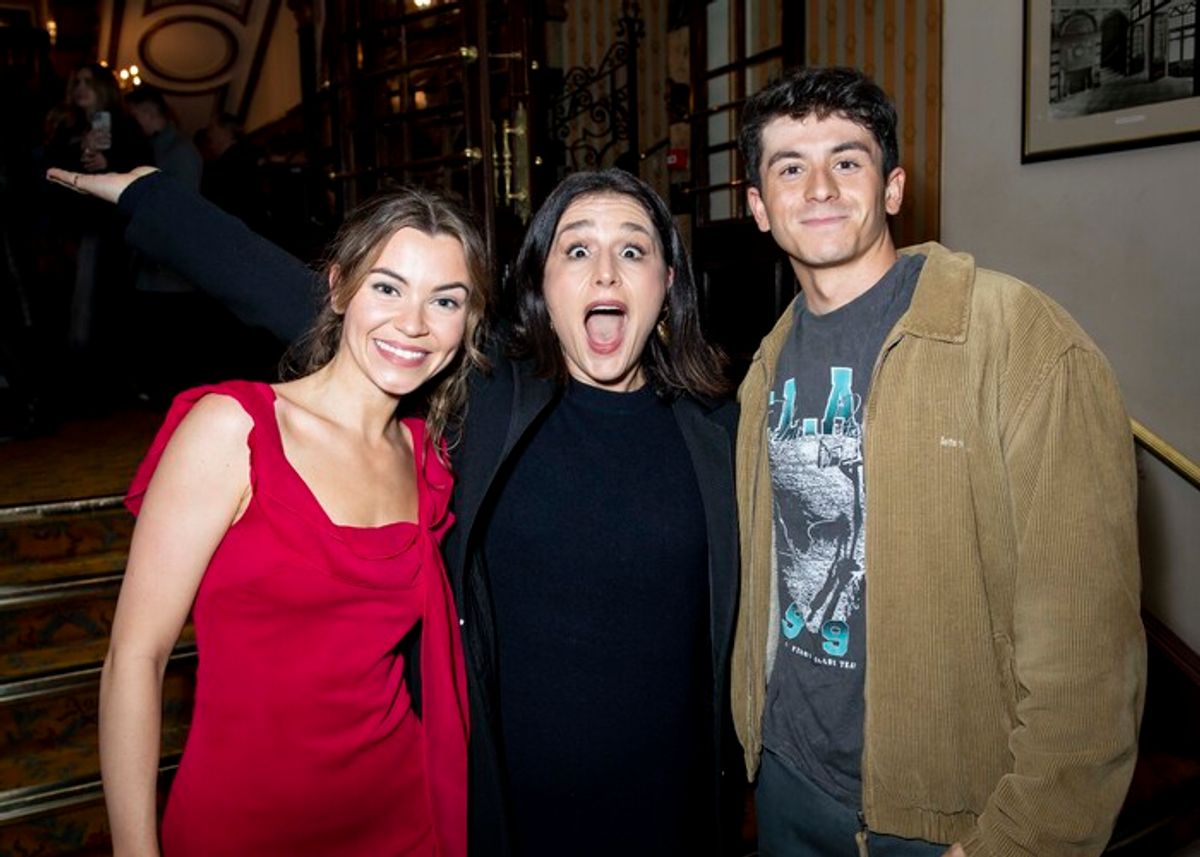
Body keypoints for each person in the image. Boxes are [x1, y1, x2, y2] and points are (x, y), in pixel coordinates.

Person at [46, 165, 744, 856]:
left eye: (633, 250)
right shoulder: (491, 403)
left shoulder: (720, 429)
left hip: (666, 809)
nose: (605, 275)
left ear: (669, 281)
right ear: (540, 282)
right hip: (508, 811)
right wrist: (157, 200)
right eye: (576, 248)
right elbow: (346, 313)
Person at [730, 66, 1145, 856]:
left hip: (944, 823)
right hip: (785, 785)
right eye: (790, 166)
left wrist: (1025, 840)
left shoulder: (1018, 338)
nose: (819, 185)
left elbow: (1089, 656)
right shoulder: (762, 369)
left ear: (892, 187)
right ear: (758, 206)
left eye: (847, 160)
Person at [77, 174, 485, 856]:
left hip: (402, 817)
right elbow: (134, 658)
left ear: (469, 323)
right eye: (387, 287)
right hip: (241, 825)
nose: (413, 323)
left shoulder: (430, 461)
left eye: (445, 300)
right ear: (338, 289)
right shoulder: (234, 430)